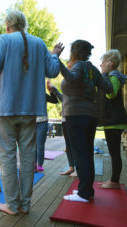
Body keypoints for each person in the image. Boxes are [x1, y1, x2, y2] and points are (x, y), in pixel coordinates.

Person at [0, 10, 63, 215]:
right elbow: (53, 71)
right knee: (28, 157)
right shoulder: (39, 43)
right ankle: (25, 205)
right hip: (31, 109)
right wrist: (55, 54)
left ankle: (12, 205)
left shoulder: (4, 39)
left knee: (8, 157)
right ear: (24, 24)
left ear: (7, 25)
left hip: (5, 109)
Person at [60, 40, 113, 203]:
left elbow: (71, 78)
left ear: (74, 52)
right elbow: (109, 88)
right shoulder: (93, 69)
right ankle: (87, 190)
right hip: (91, 116)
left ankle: (83, 193)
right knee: (86, 153)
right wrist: (103, 74)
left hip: (76, 115)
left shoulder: (78, 66)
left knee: (80, 154)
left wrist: (57, 60)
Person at [97, 49, 127, 189]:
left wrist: (104, 75)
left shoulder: (113, 76)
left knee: (114, 153)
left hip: (114, 120)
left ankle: (114, 182)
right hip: (112, 121)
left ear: (110, 63)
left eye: (103, 61)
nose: (101, 64)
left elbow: (111, 94)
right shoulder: (111, 76)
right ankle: (113, 180)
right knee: (114, 152)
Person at [50, 70, 76, 176]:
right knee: (68, 145)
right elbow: (62, 99)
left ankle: (78, 169)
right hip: (65, 120)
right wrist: (53, 88)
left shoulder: (75, 87)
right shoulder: (66, 89)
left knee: (76, 145)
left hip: (73, 120)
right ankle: (71, 167)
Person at [35, 79, 58, 172]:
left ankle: (40, 164)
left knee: (40, 145)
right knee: (32, 146)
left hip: (42, 122)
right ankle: (33, 164)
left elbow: (55, 100)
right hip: (30, 123)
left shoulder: (43, 95)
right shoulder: (28, 94)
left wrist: (51, 91)